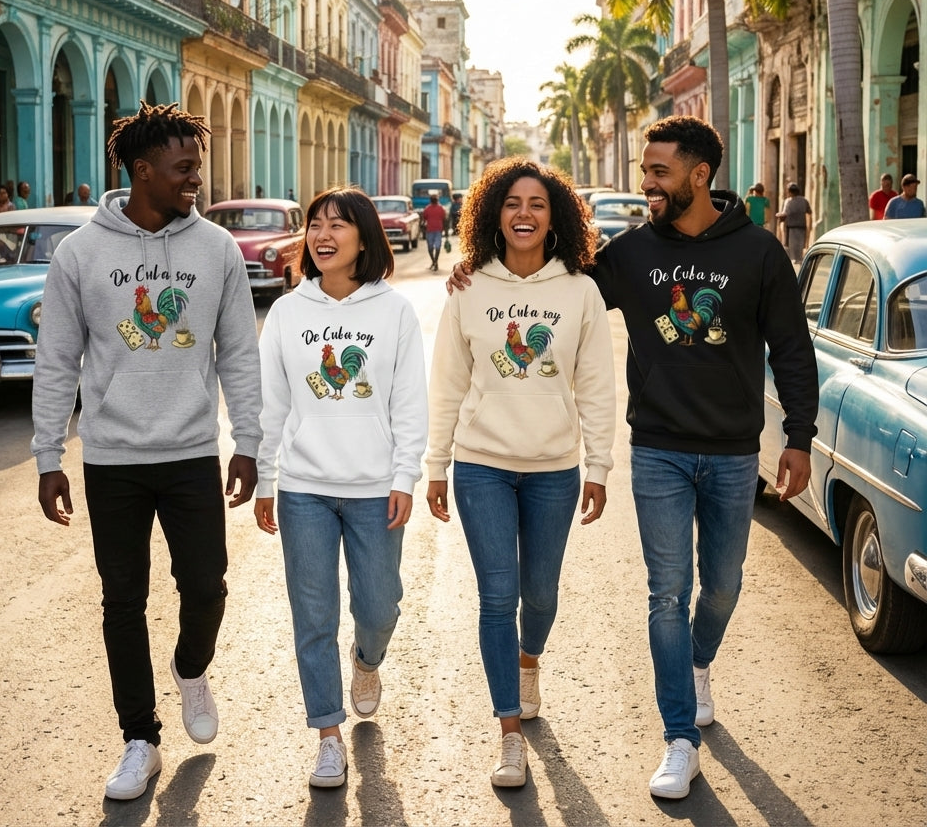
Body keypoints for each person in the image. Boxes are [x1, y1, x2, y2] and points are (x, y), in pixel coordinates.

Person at [448, 116, 818, 800]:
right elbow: (559, 282)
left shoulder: (760, 253)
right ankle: (681, 737)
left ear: (698, 176)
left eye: (657, 172)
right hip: (658, 450)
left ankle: (697, 663)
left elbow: (792, 348)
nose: (645, 182)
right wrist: (484, 266)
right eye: (645, 170)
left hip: (736, 451)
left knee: (725, 584)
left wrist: (798, 436)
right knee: (666, 594)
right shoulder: (631, 253)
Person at [32, 101, 263, 803]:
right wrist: (48, 457)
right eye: (184, 166)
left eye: (198, 163)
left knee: (207, 587)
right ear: (142, 170)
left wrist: (246, 441)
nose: (197, 176)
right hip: (112, 458)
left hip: (191, 449)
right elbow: (56, 360)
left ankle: (191, 669)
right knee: (121, 599)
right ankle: (141, 739)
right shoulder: (81, 253)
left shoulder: (215, 249)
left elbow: (240, 355)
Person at [427, 157, 616, 789]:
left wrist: (599, 464)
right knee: (496, 596)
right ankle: (509, 733)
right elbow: (447, 385)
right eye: (512, 203)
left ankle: (527, 658)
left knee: (541, 594)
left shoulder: (580, 291)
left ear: (555, 215)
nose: (524, 214)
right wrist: (435, 465)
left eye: (537, 204)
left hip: (554, 469)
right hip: (481, 466)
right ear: (493, 214)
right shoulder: (467, 289)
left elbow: (595, 385)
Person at [253, 186, 427, 789]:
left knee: (379, 606)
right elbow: (271, 405)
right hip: (304, 488)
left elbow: (409, 403)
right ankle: (327, 735)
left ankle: (368, 660)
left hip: (376, 486)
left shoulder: (394, 311)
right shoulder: (287, 312)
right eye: (315, 224)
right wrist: (267, 479)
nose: (323, 235)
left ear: (364, 237)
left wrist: (405, 474)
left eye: (337, 224)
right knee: (313, 613)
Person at [777, 182, 811, 262]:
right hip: (802, 227)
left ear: (789, 192)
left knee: (791, 250)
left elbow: (784, 214)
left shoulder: (788, 201)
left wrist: (779, 215)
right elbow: (809, 212)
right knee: (800, 248)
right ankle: (799, 262)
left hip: (791, 228)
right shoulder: (804, 200)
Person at [422, 192, 447, 271]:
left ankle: (434, 262)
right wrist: (446, 231)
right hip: (437, 230)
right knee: (437, 247)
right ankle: (435, 262)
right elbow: (445, 219)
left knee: (431, 248)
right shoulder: (441, 208)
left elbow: (424, 218)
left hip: (431, 230)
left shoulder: (427, 208)